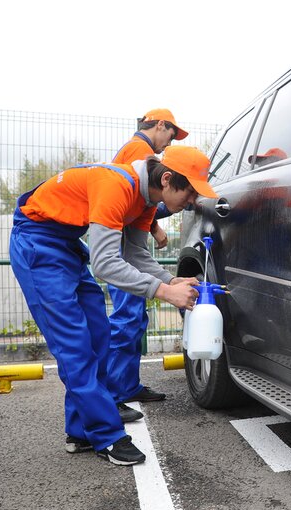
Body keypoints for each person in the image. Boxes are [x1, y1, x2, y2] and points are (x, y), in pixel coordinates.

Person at [9, 145, 218, 466]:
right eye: (190, 191)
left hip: (66, 246)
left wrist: (169, 280)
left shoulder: (147, 201)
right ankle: (107, 435)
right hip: (38, 244)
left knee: (98, 333)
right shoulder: (116, 186)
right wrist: (163, 291)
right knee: (74, 346)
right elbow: (106, 264)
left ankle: (79, 432)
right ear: (166, 179)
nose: (192, 201)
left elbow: (134, 255)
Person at [105, 109, 188, 410]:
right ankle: (114, 395)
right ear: (160, 125)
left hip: (126, 245)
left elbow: (141, 201)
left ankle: (126, 386)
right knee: (127, 320)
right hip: (124, 250)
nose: (171, 142)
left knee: (134, 320)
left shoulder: (136, 150)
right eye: (172, 134)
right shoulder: (141, 150)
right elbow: (134, 197)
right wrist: (155, 226)